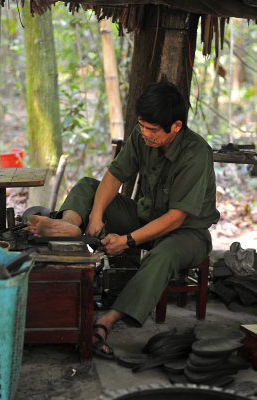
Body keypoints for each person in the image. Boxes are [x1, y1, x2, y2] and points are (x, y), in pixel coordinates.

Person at [28, 81, 220, 359]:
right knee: (87, 186)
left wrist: (127, 241)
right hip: (144, 217)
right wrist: (95, 216)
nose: (145, 134)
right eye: (142, 126)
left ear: (176, 126)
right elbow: (114, 175)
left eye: (152, 130)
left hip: (187, 233)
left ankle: (107, 320)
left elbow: (176, 218)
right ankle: (70, 226)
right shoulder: (142, 136)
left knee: (163, 255)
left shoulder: (196, 153)